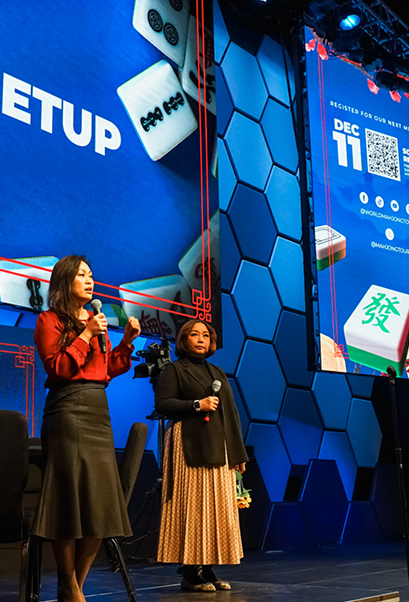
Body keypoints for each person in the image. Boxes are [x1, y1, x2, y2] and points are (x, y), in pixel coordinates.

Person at [31, 255, 142, 602]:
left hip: (98, 410)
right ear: (65, 281)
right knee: (67, 500)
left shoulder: (96, 321)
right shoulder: (48, 320)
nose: (89, 280)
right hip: (67, 408)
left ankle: (73, 585)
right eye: (81, 275)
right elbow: (60, 367)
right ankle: (69, 584)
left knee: (100, 501)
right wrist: (85, 333)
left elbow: (107, 369)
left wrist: (126, 341)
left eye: (91, 274)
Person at [155, 318, 247, 592]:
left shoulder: (217, 372)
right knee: (193, 507)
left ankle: (207, 568)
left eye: (205, 335)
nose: (200, 339)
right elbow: (163, 404)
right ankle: (190, 572)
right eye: (194, 334)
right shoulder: (174, 370)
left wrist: (238, 453)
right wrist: (198, 404)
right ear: (184, 340)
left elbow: (231, 415)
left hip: (219, 449)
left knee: (214, 510)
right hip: (189, 446)